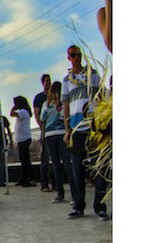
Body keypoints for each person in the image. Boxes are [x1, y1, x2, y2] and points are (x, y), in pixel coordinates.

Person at [62, 45, 103, 219]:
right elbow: (65, 105)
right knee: (77, 169)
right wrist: (67, 130)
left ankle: (100, 206)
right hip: (76, 129)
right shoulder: (66, 81)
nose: (75, 57)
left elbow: (100, 96)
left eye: (77, 54)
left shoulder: (92, 75)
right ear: (68, 58)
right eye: (72, 55)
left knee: (97, 168)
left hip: (92, 127)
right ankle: (78, 206)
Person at [41, 81, 69, 204]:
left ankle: (75, 193)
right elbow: (42, 118)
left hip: (62, 134)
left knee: (67, 164)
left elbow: (65, 116)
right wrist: (48, 104)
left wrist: (59, 105)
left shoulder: (64, 103)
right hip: (50, 136)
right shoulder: (46, 104)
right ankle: (60, 193)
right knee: (56, 165)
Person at [10, 96, 35, 187]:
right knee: (23, 160)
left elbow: (12, 114)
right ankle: (24, 177)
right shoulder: (24, 112)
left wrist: (14, 108)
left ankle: (31, 178)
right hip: (22, 138)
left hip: (24, 138)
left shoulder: (23, 112)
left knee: (26, 160)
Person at [34, 74, 52, 192]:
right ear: (42, 83)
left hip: (54, 127)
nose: (48, 83)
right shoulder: (39, 97)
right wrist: (41, 125)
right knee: (45, 157)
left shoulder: (54, 96)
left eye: (49, 81)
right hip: (45, 128)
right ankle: (44, 183)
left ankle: (55, 182)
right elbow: (36, 112)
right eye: (46, 81)